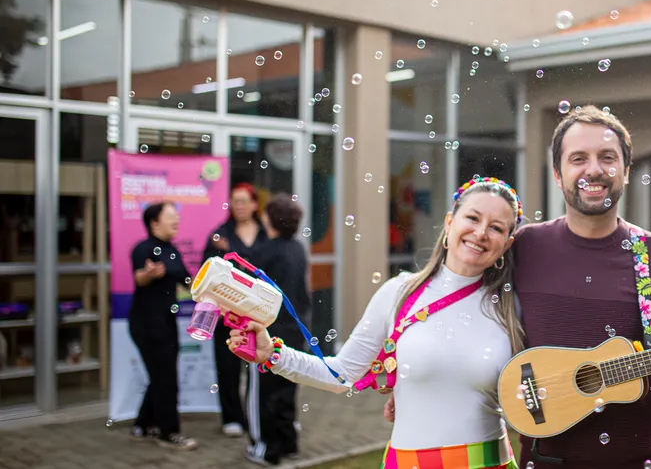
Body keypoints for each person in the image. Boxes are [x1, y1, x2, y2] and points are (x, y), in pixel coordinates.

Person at [383, 107, 651, 467]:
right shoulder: (524, 246)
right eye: (578, 158)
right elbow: (462, 308)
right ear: (557, 173)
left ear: (626, 170)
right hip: (544, 463)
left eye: (607, 157)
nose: (593, 170)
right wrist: (423, 383)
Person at [227, 177, 524, 468]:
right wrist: (272, 354)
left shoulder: (514, 307)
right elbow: (341, 374)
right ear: (449, 222)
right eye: (472, 217)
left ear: (508, 242)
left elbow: (529, 398)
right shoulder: (400, 292)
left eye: (496, 227)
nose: (481, 232)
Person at [234, 193, 310, 466]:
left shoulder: (263, 251)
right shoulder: (298, 248)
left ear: (271, 220)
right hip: (295, 329)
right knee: (286, 387)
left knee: (262, 392)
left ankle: (265, 448)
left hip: (267, 332)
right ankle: (288, 442)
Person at [128, 202, 198, 450]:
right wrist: (150, 274)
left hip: (167, 322)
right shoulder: (142, 249)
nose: (176, 220)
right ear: (154, 222)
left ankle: (143, 424)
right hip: (146, 323)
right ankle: (168, 433)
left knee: (161, 375)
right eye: (171, 216)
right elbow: (139, 277)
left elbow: (189, 281)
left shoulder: (172, 250)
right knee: (165, 377)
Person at [203, 183, 268, 438]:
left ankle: (258, 414)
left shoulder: (266, 232)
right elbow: (208, 270)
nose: (238, 206)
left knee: (259, 362)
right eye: (234, 201)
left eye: (243, 201)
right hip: (228, 312)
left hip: (258, 311)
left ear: (254, 204)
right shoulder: (220, 234)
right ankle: (231, 417)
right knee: (228, 365)